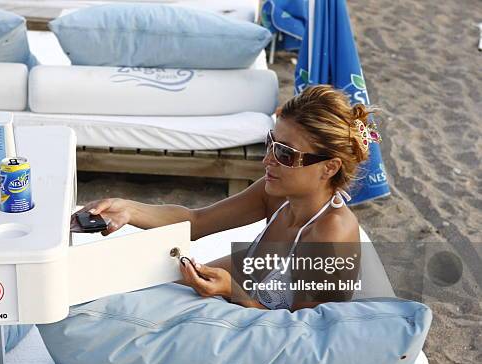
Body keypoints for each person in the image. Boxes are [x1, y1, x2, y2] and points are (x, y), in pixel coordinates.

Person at [71, 85, 380, 311]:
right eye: (271, 143)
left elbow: (304, 333)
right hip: (242, 296)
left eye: (286, 154)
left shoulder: (331, 234)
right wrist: (129, 209)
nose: (268, 160)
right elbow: (197, 221)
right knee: (121, 287)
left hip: (262, 327)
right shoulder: (278, 193)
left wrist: (233, 291)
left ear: (330, 167)